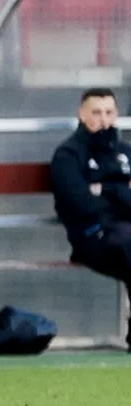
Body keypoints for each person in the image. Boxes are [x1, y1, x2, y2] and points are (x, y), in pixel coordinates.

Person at [51, 87, 131, 349]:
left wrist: (106, 190)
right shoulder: (68, 155)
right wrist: (122, 193)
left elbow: (99, 199)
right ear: (82, 114)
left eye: (109, 112)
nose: (104, 119)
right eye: (96, 112)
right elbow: (80, 205)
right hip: (91, 238)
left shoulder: (125, 152)